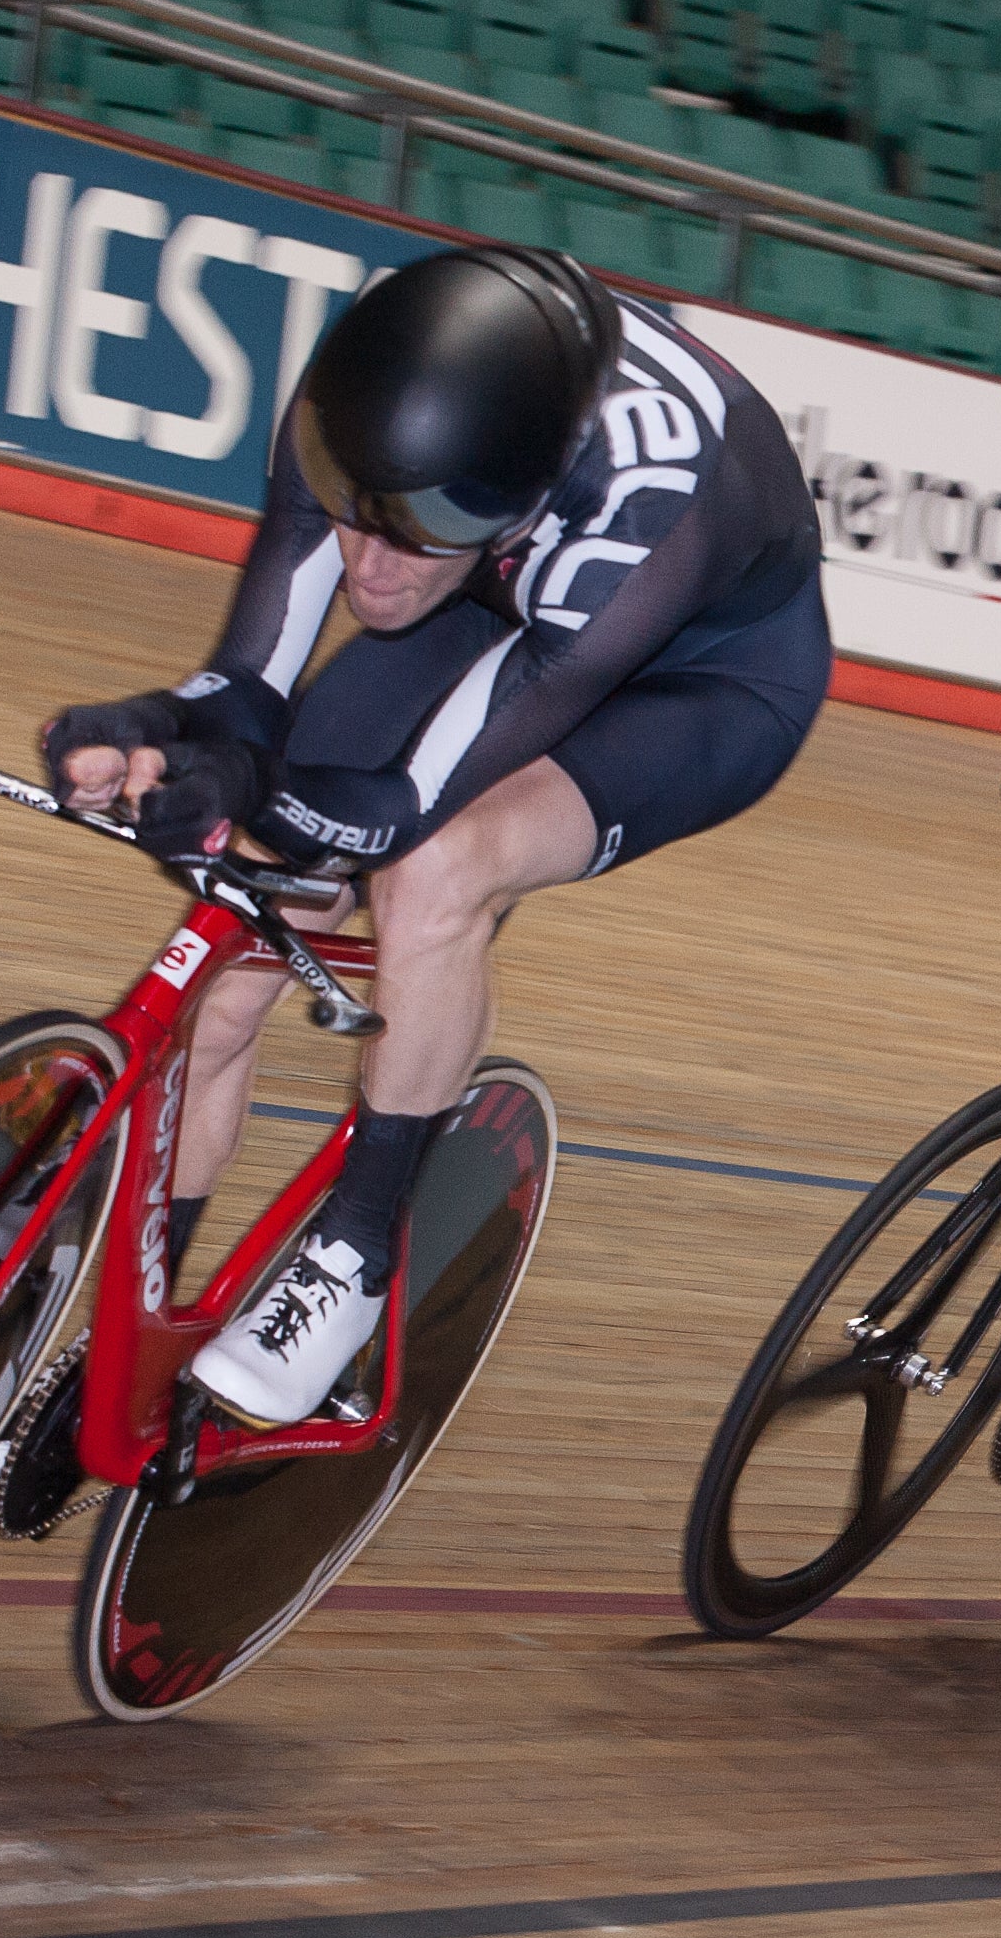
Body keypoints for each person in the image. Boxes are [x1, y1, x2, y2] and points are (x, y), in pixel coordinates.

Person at [45, 244, 827, 1425]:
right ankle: (113, 1341)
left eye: (411, 527)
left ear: (521, 490)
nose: (366, 565)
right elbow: (246, 688)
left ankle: (353, 1256)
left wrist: (251, 784)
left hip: (700, 677)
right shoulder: (368, 408)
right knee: (239, 939)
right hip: (492, 598)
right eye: (355, 513)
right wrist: (153, 729)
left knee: (436, 873)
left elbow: (398, 804)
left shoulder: (645, 508)